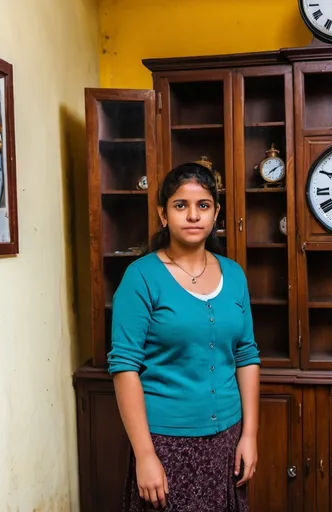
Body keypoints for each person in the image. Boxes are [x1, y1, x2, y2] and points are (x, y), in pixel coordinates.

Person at [107, 162, 261, 512]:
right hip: (165, 443)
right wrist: (145, 455)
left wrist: (249, 435)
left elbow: (246, 355)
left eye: (203, 205)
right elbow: (124, 367)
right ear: (163, 214)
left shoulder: (234, 275)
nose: (193, 216)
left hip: (227, 440)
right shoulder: (141, 277)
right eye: (181, 206)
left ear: (216, 213)